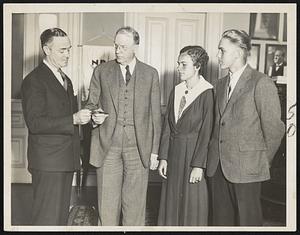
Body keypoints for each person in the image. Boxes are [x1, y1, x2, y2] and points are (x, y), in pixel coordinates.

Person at [206, 29, 285, 226]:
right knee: (220, 223)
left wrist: (260, 162)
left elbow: (274, 129)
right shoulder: (219, 84)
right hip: (218, 167)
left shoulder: (261, 83)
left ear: (239, 52)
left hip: (248, 169)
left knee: (247, 222)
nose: (218, 55)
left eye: (222, 50)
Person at [85, 26, 162, 226]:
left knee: (135, 205)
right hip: (107, 146)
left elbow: (155, 116)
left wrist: (154, 152)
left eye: (123, 47)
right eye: (116, 46)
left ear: (135, 46)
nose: (118, 51)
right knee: (107, 204)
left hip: (138, 147)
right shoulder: (101, 71)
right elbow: (91, 104)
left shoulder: (150, 74)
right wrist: (95, 115)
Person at [21, 28, 91, 225]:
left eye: (68, 49)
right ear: (47, 49)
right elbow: (35, 123)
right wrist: (73, 119)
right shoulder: (34, 80)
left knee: (59, 219)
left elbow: (66, 115)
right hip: (48, 163)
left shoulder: (65, 79)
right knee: (46, 219)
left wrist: (87, 118)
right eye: (62, 50)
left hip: (65, 160)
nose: (67, 54)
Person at [157, 46, 214, 226]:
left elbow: (207, 132)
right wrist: (163, 157)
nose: (179, 68)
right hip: (173, 155)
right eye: (178, 64)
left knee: (192, 206)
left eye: (184, 64)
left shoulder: (208, 92)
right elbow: (167, 125)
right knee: (171, 203)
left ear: (197, 66)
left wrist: (199, 166)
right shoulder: (177, 90)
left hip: (193, 156)